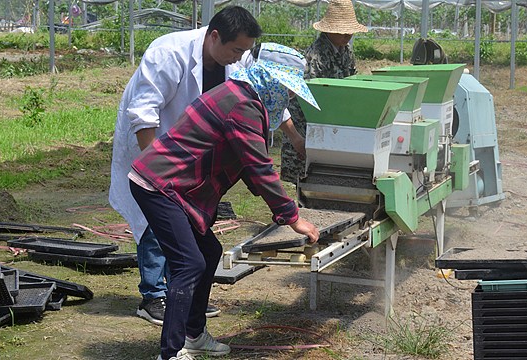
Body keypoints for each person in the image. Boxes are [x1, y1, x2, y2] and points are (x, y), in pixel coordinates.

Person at [129, 43, 321, 360]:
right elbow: (259, 167)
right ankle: (171, 352)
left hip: (177, 187)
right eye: (286, 90)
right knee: (189, 264)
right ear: (270, 80)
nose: (288, 98)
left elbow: (247, 164)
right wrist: (292, 217)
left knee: (209, 251)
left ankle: (193, 334)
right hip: (160, 185)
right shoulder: (241, 104)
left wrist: (275, 205)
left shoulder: (243, 97)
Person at [109, 6, 263, 326]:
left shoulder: (236, 58)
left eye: (245, 51)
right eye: (236, 50)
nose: (240, 57)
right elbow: (144, 113)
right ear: (215, 36)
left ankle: (185, 293)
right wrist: (157, 172)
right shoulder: (168, 53)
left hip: (195, 156)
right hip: (155, 147)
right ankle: (153, 296)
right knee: (155, 223)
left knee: (192, 225)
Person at [280, 0, 368, 184]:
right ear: (329, 30)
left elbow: (351, 79)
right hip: (306, 122)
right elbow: (312, 98)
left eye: (349, 32)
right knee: (303, 175)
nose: (347, 36)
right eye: (342, 32)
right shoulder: (317, 55)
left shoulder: (346, 51)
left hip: (330, 118)